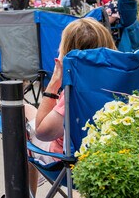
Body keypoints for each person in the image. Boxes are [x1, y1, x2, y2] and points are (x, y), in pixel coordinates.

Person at [24, 18, 116, 195]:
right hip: (113, 153)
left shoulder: (74, 91)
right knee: (28, 110)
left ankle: (24, 193)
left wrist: (53, 84)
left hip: (70, 161)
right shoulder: (122, 80)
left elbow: (43, 133)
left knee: (20, 115)